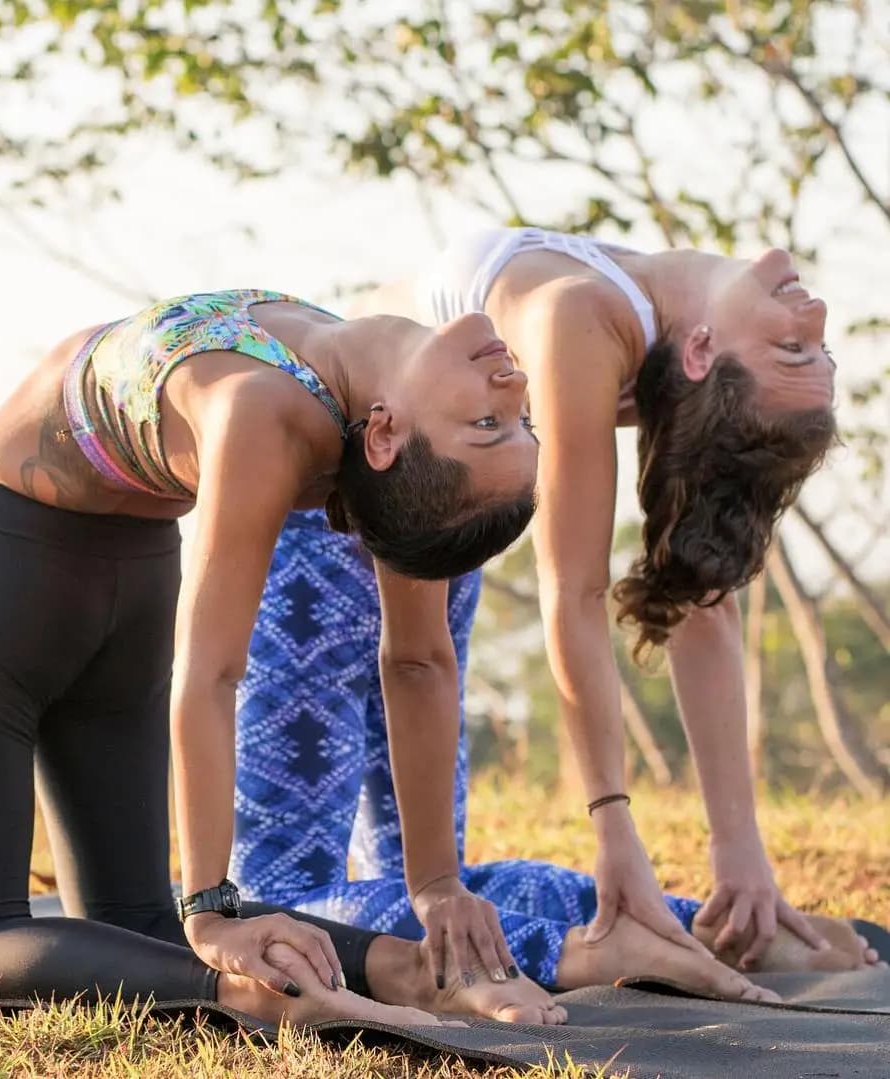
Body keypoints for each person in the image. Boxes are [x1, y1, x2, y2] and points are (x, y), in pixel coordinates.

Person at [0, 287, 573, 1028]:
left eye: (489, 425)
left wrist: (220, 908)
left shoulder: (274, 413)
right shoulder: (363, 419)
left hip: (5, 562)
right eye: (510, 423)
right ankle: (401, 969)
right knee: (137, 916)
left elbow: (274, 669)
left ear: (386, 435)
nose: (514, 387)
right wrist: (426, 885)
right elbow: (413, 664)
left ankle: (269, 994)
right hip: (132, 571)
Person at [306, 228, 840, 969]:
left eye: (796, 352)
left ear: (703, 352)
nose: (813, 320)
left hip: (400, 526)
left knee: (409, 882)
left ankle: (639, 937)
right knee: (335, 884)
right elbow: (574, 588)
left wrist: (738, 849)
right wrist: (613, 824)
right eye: (813, 352)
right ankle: (594, 951)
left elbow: (684, 587)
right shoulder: (601, 311)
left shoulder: (621, 328)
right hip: (342, 501)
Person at [232, 515, 883, 992]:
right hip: (456, 518)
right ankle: (700, 928)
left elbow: (200, 672)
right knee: (432, 885)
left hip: (313, 543)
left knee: (274, 897)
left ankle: (584, 953)